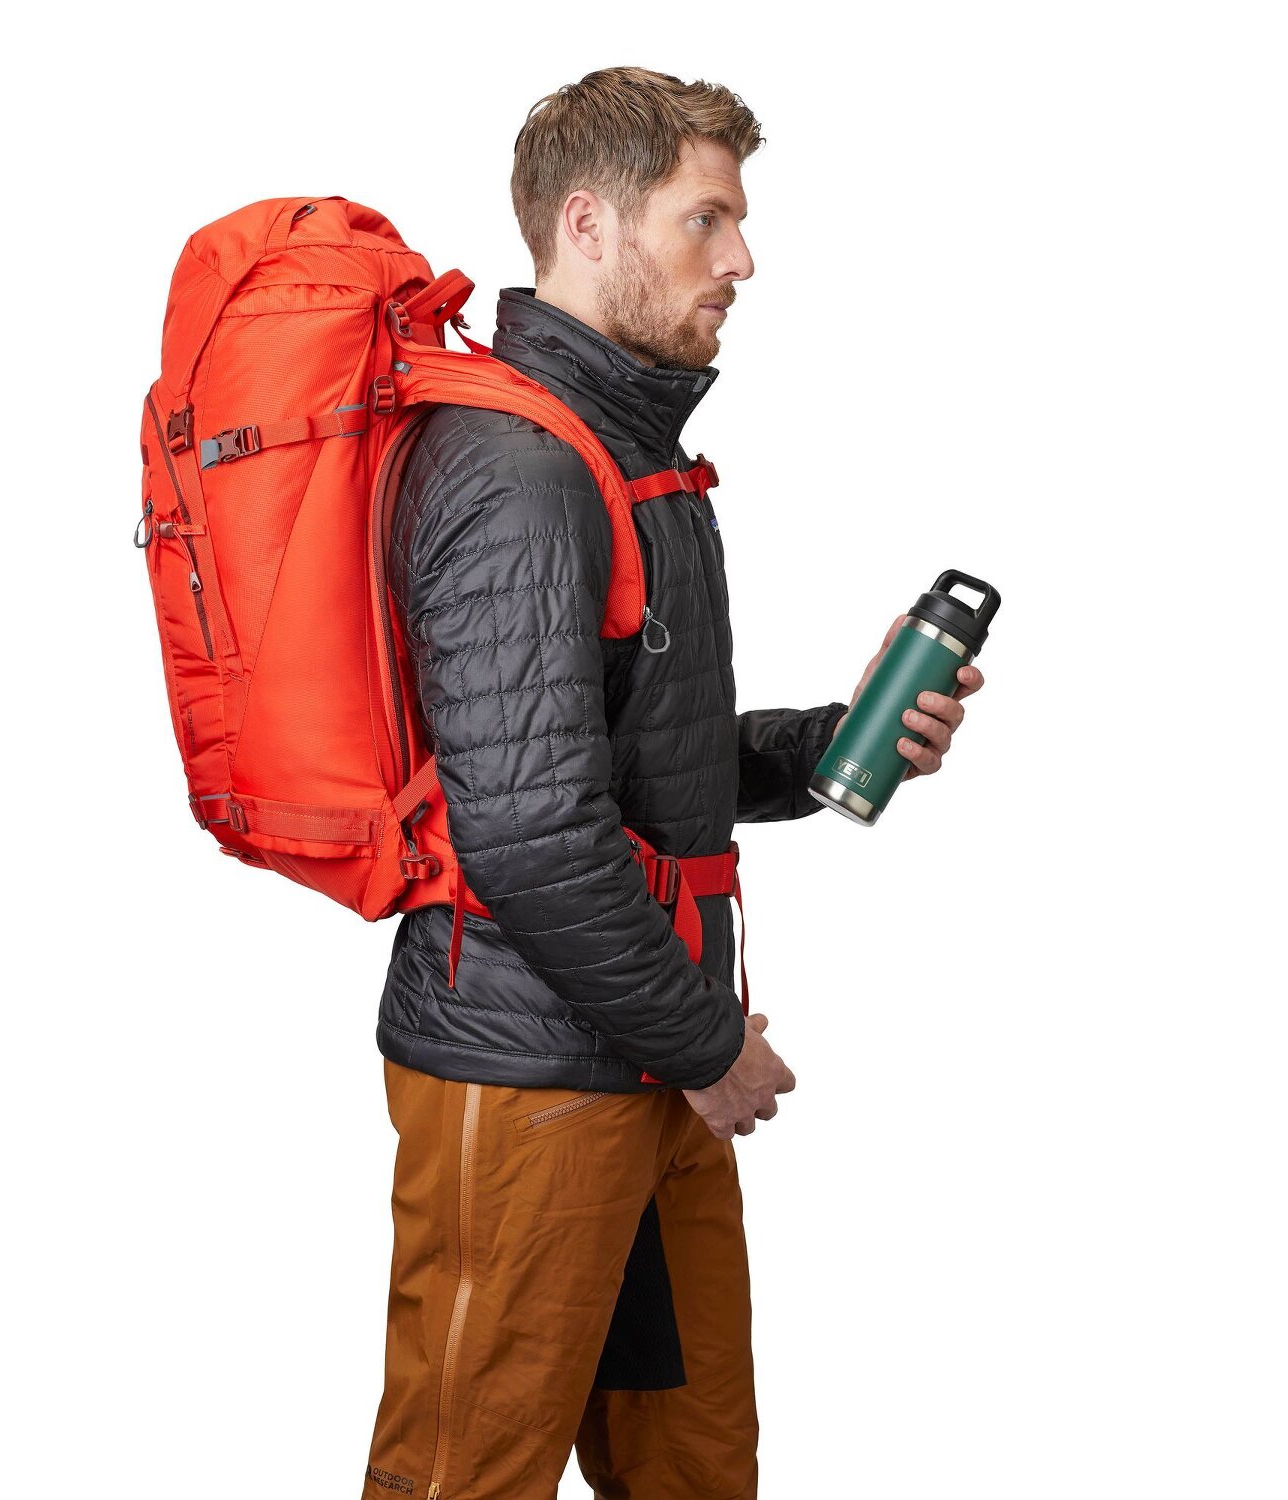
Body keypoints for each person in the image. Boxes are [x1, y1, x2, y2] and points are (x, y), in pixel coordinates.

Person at [362, 66, 984, 1500]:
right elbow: (533, 833)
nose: (743, 259)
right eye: (707, 220)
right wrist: (709, 1046)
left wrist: (838, 740)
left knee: (693, 1466)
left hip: (643, 1054)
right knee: (467, 1472)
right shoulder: (517, 469)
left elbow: (635, 760)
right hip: (531, 1077)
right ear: (589, 224)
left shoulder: (628, 450)